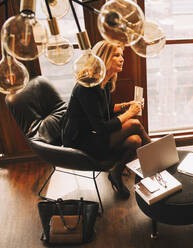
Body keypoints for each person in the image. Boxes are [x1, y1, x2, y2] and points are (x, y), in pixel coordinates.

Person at [62, 40, 151, 199]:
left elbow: (106, 110)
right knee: (134, 124)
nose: (122, 58)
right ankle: (158, 161)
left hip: (94, 133)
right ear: (103, 58)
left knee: (136, 141)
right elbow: (102, 127)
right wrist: (130, 113)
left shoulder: (105, 81)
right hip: (80, 142)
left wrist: (126, 105)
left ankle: (116, 172)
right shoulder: (87, 86)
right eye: (116, 55)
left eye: (121, 55)